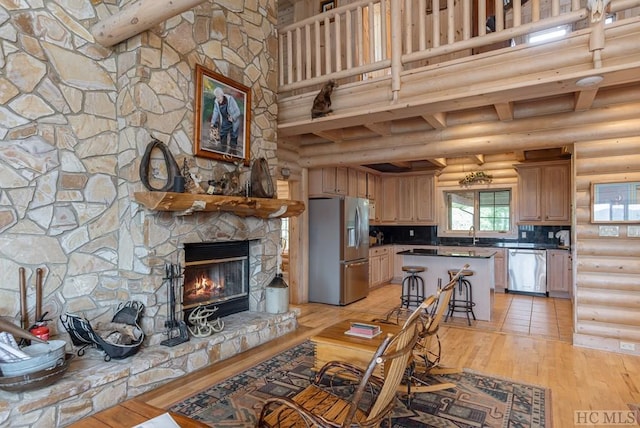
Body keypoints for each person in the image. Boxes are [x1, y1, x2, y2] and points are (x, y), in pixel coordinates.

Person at [210, 87, 242, 153]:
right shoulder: (216, 102)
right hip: (225, 121)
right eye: (216, 97)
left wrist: (233, 117)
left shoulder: (230, 99)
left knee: (233, 137)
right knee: (222, 136)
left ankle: (233, 153)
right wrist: (212, 122)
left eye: (219, 97)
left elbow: (238, 111)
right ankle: (223, 151)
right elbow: (215, 112)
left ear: (222, 95)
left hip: (233, 122)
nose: (218, 99)